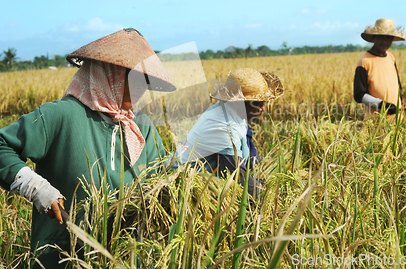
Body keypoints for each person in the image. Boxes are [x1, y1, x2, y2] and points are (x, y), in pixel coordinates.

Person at [0, 28, 176, 268]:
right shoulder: (61, 116)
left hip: (125, 259)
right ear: (109, 74)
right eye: (135, 78)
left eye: (145, 81)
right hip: (63, 257)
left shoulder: (142, 128)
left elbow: (163, 177)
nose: (141, 88)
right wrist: (36, 188)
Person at [172, 68, 284, 198]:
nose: (263, 108)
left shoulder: (234, 112)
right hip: (185, 183)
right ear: (238, 103)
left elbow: (247, 150)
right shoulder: (224, 127)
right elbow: (237, 176)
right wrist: (268, 198)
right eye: (257, 103)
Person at [353, 18, 406, 117]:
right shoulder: (364, 62)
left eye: (388, 38)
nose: (385, 42)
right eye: (381, 37)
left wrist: (402, 98)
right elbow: (359, 95)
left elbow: (397, 85)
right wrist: (382, 105)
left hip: (397, 119)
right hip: (376, 122)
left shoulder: (391, 58)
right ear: (374, 38)